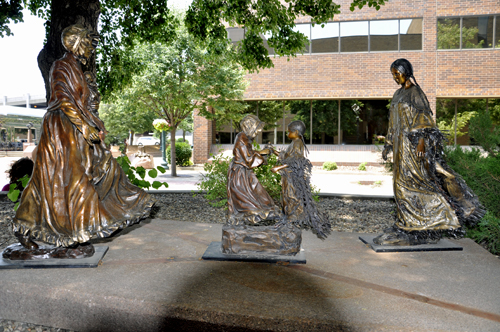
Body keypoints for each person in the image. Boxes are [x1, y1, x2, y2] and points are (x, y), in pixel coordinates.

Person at [12, 24, 153, 251]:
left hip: (74, 128)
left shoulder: (76, 68)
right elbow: (63, 99)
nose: (91, 49)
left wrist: (96, 124)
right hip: (61, 130)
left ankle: (68, 230)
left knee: (94, 172)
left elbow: (84, 104)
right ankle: (67, 234)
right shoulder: (61, 66)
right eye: (87, 43)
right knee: (65, 180)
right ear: (76, 43)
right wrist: (84, 126)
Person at [374, 59, 485, 245]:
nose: (394, 77)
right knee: (399, 186)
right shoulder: (397, 94)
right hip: (401, 148)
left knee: (416, 183)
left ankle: (433, 221)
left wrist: (421, 144)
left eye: (397, 73)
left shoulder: (416, 93)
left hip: (414, 147)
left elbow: (425, 122)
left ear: (406, 72)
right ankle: (406, 223)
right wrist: (388, 144)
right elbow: (393, 123)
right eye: (392, 74)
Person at [271, 120, 331, 239]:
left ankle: (292, 220)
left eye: (289, 132)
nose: (288, 134)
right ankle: (287, 219)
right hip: (287, 176)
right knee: (286, 197)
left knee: (292, 197)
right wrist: (274, 151)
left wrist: (279, 167)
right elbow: (287, 157)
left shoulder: (298, 143)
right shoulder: (293, 142)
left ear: (296, 132)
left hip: (292, 177)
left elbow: (297, 160)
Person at [227, 115, 281, 225]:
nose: (258, 132)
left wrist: (262, 152)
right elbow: (248, 159)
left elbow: (249, 155)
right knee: (250, 204)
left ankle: (266, 214)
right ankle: (255, 217)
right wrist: (261, 152)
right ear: (249, 127)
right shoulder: (242, 138)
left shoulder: (245, 138)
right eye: (256, 129)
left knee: (263, 198)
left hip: (246, 174)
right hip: (240, 176)